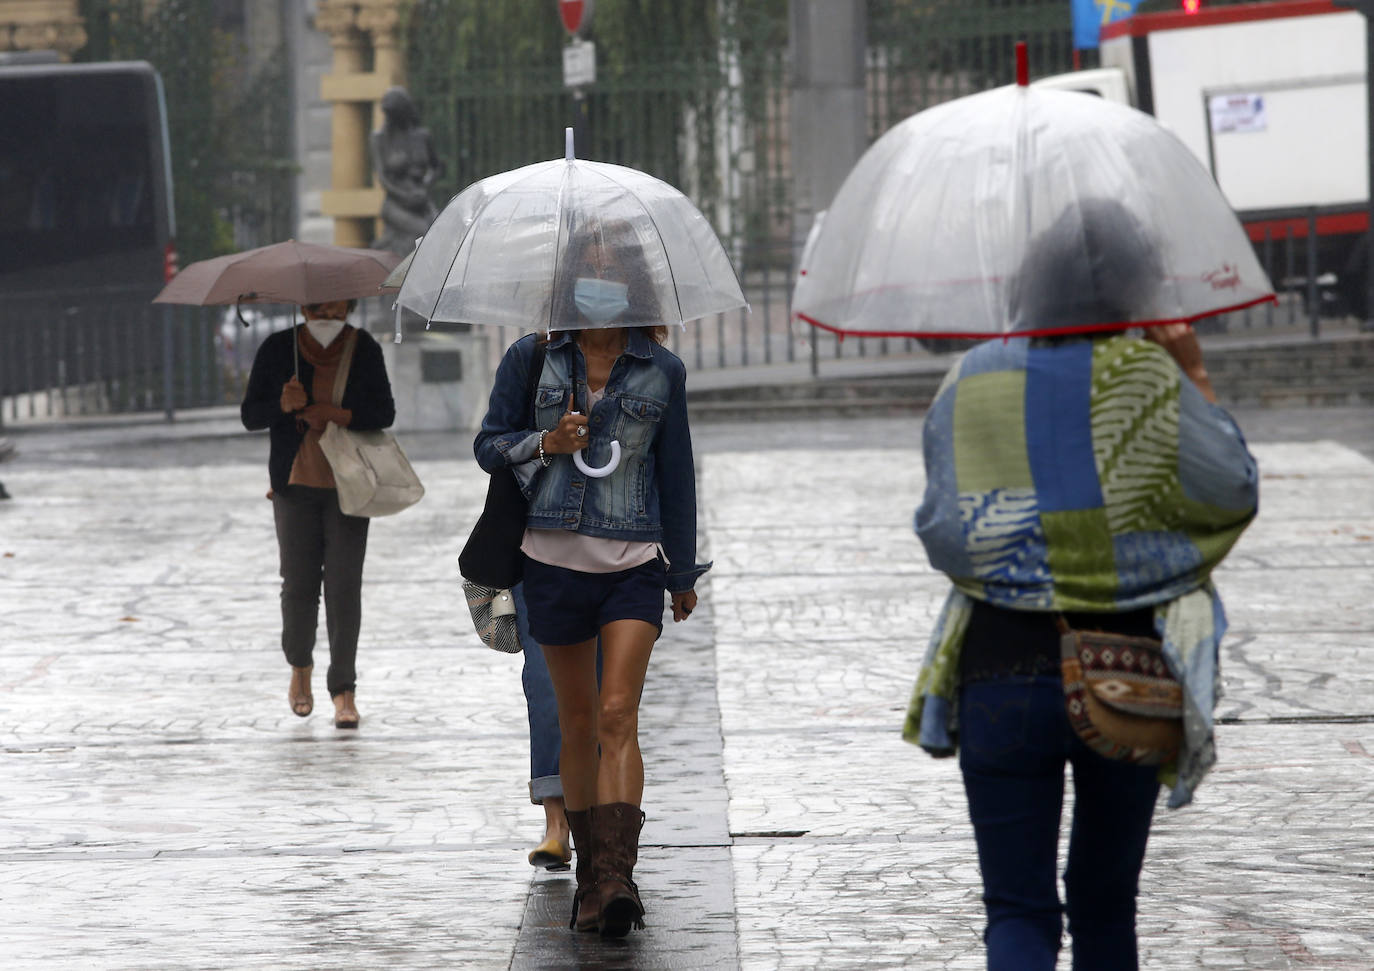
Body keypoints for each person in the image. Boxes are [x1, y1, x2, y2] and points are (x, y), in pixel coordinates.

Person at [903, 200, 1260, 969]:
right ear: (1140, 286)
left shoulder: (973, 375)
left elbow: (939, 529)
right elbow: (1232, 490)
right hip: (1129, 670)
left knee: (1017, 911)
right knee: (1105, 909)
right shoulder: (1149, 376)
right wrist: (1193, 371)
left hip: (997, 672)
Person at [473, 227, 708, 937]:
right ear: (569, 282)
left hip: (633, 566)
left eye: (614, 272)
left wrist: (684, 568)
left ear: (634, 286)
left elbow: (677, 474)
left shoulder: (661, 369)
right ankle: (590, 874)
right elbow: (488, 444)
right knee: (576, 722)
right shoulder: (534, 357)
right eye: (589, 271)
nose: (600, 284)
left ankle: (615, 876)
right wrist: (547, 443)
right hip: (550, 564)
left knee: (616, 714)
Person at [240, 300, 396, 729]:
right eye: (317, 302)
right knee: (298, 584)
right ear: (303, 305)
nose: (327, 309)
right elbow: (250, 415)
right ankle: (300, 669)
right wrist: (282, 405)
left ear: (349, 304)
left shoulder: (363, 347)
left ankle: (343, 689)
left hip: (349, 486)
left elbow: (384, 412)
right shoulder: (277, 348)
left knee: (345, 587)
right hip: (294, 486)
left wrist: (337, 414)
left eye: (337, 301)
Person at [369, 86, 442, 255]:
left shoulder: (422, 136)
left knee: (440, 232)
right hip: (396, 203)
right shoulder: (379, 139)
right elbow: (383, 178)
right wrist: (405, 197)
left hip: (420, 199)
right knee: (422, 232)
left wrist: (425, 185)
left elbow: (436, 167)